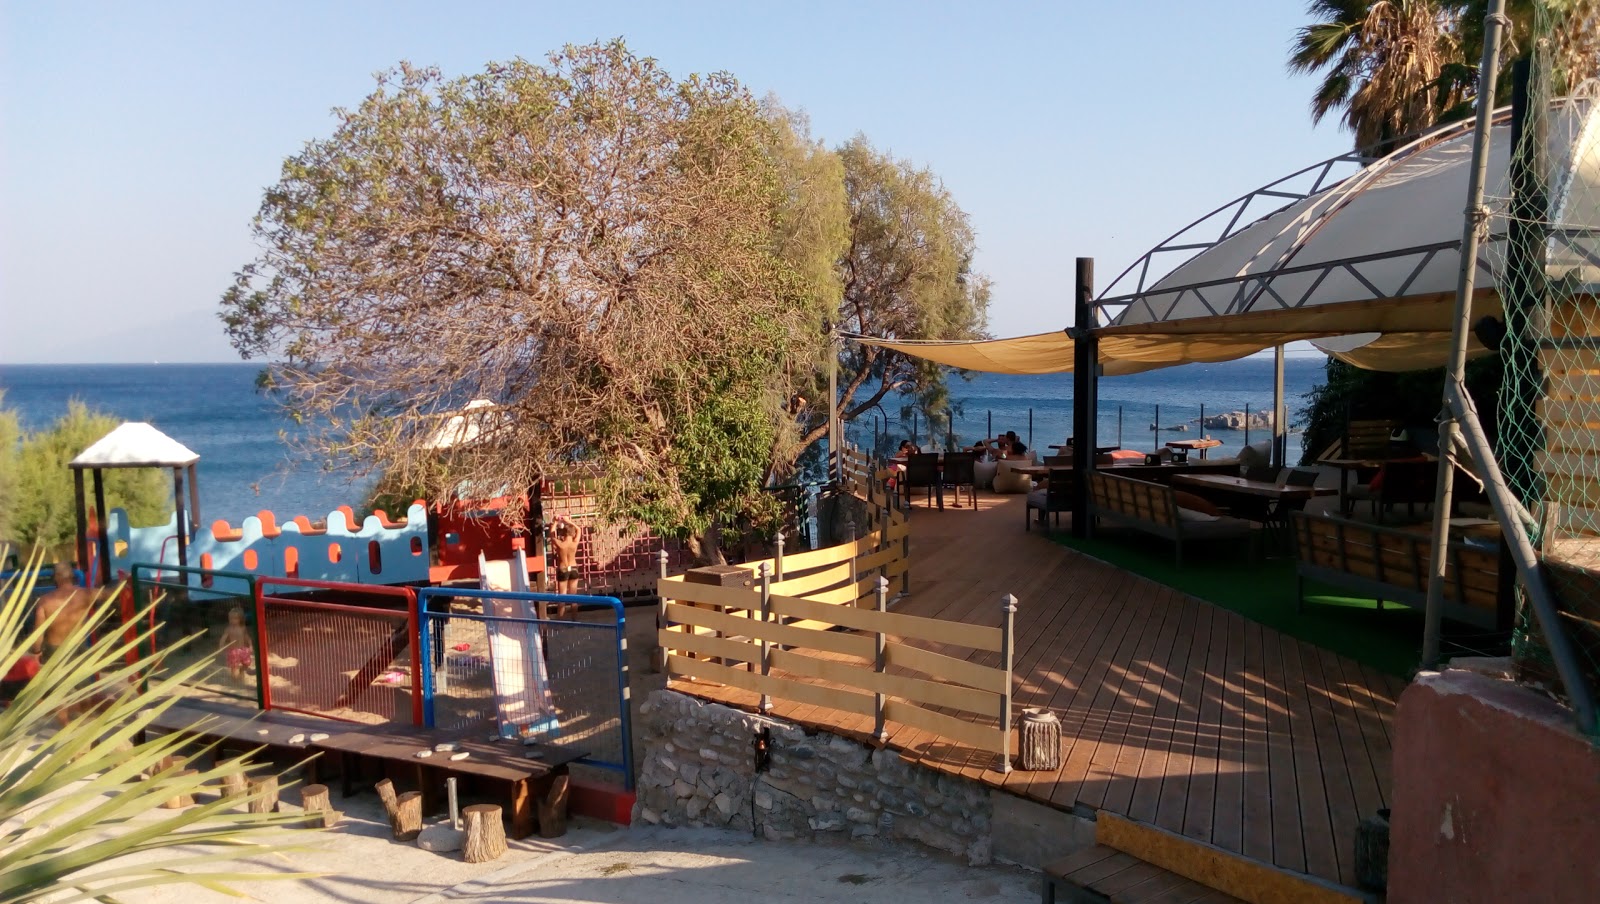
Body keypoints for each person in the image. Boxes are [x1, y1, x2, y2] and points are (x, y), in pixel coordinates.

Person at [550, 515, 582, 619]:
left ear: (563, 533)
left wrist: (555, 522)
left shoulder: (560, 544)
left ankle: (560, 620)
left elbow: (551, 534)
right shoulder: (574, 543)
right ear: (572, 533)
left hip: (563, 568)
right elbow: (579, 529)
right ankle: (574, 620)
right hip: (573, 568)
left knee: (562, 597)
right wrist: (569, 521)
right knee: (573, 597)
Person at [217, 605, 254, 685]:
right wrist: (221, 646)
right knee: (234, 667)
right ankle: (235, 681)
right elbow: (223, 638)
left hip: (243, 649)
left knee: (246, 663)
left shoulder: (243, 628)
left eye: (235, 618)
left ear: (240, 619)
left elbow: (247, 637)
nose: (232, 620)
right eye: (230, 618)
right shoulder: (229, 629)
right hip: (233, 651)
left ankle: (242, 672)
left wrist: (250, 645)